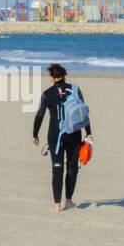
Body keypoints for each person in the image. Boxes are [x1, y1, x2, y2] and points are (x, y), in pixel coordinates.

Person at [31, 64, 92, 212]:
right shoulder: (75, 90)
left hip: (55, 136)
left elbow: (40, 115)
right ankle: (69, 201)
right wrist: (89, 132)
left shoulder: (47, 93)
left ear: (51, 77)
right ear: (65, 75)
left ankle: (57, 204)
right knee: (72, 169)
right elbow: (83, 113)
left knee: (57, 168)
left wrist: (35, 133)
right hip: (74, 135)